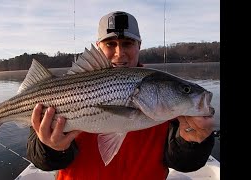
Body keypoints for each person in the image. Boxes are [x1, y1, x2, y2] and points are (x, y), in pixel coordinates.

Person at [26, 11, 215, 180]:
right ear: (99, 46)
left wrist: (193, 142)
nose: (119, 53)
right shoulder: (59, 93)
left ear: (139, 46)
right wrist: (52, 148)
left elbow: (183, 164)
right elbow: (41, 160)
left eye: (127, 43)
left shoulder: (170, 107)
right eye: (110, 44)